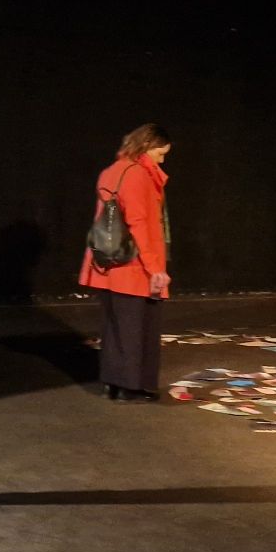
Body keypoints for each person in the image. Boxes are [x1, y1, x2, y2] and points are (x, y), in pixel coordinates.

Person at [79, 123, 173, 402]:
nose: (162, 160)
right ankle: (131, 387)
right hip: (133, 266)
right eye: (160, 153)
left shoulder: (111, 170)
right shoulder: (137, 175)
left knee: (114, 328)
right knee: (137, 327)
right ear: (147, 146)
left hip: (108, 262)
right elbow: (138, 223)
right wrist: (155, 269)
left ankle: (113, 383)